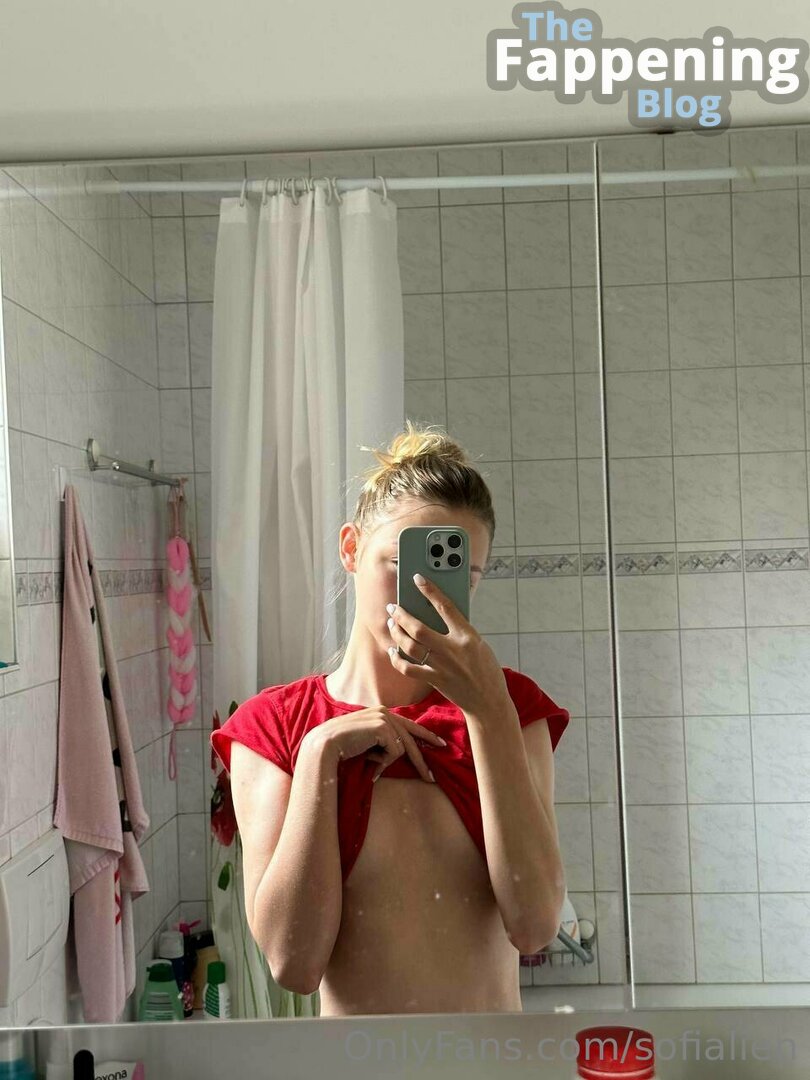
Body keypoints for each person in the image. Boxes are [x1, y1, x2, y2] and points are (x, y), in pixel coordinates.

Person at [210, 420, 570, 1016]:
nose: (426, 597)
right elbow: (293, 964)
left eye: (458, 577)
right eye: (403, 566)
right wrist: (318, 757)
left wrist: (488, 714)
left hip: (489, 1060)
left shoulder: (509, 707)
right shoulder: (277, 728)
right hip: (354, 1063)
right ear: (350, 549)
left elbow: (534, 927)